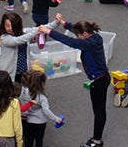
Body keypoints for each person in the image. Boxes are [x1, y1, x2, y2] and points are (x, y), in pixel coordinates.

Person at [38, 18, 109, 147]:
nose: (77, 37)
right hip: (102, 78)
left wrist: (49, 32)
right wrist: (64, 23)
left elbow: (70, 41)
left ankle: (96, 141)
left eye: (79, 36)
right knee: (100, 110)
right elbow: (75, 32)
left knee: (99, 111)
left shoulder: (88, 43)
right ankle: (97, 138)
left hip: (98, 81)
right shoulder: (94, 37)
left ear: (85, 35)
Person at [0, 12, 61, 82]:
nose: (10, 28)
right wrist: (35, 33)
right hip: (9, 74)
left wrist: (55, 23)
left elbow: (41, 28)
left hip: (24, 71)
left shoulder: (24, 32)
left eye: (12, 26)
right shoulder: (4, 38)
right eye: (7, 26)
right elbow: (19, 40)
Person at [20, 70, 63, 147]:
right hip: (41, 122)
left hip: (29, 120)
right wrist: (56, 119)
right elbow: (46, 111)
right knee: (39, 140)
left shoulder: (26, 93)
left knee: (28, 140)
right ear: (42, 84)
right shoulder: (42, 97)